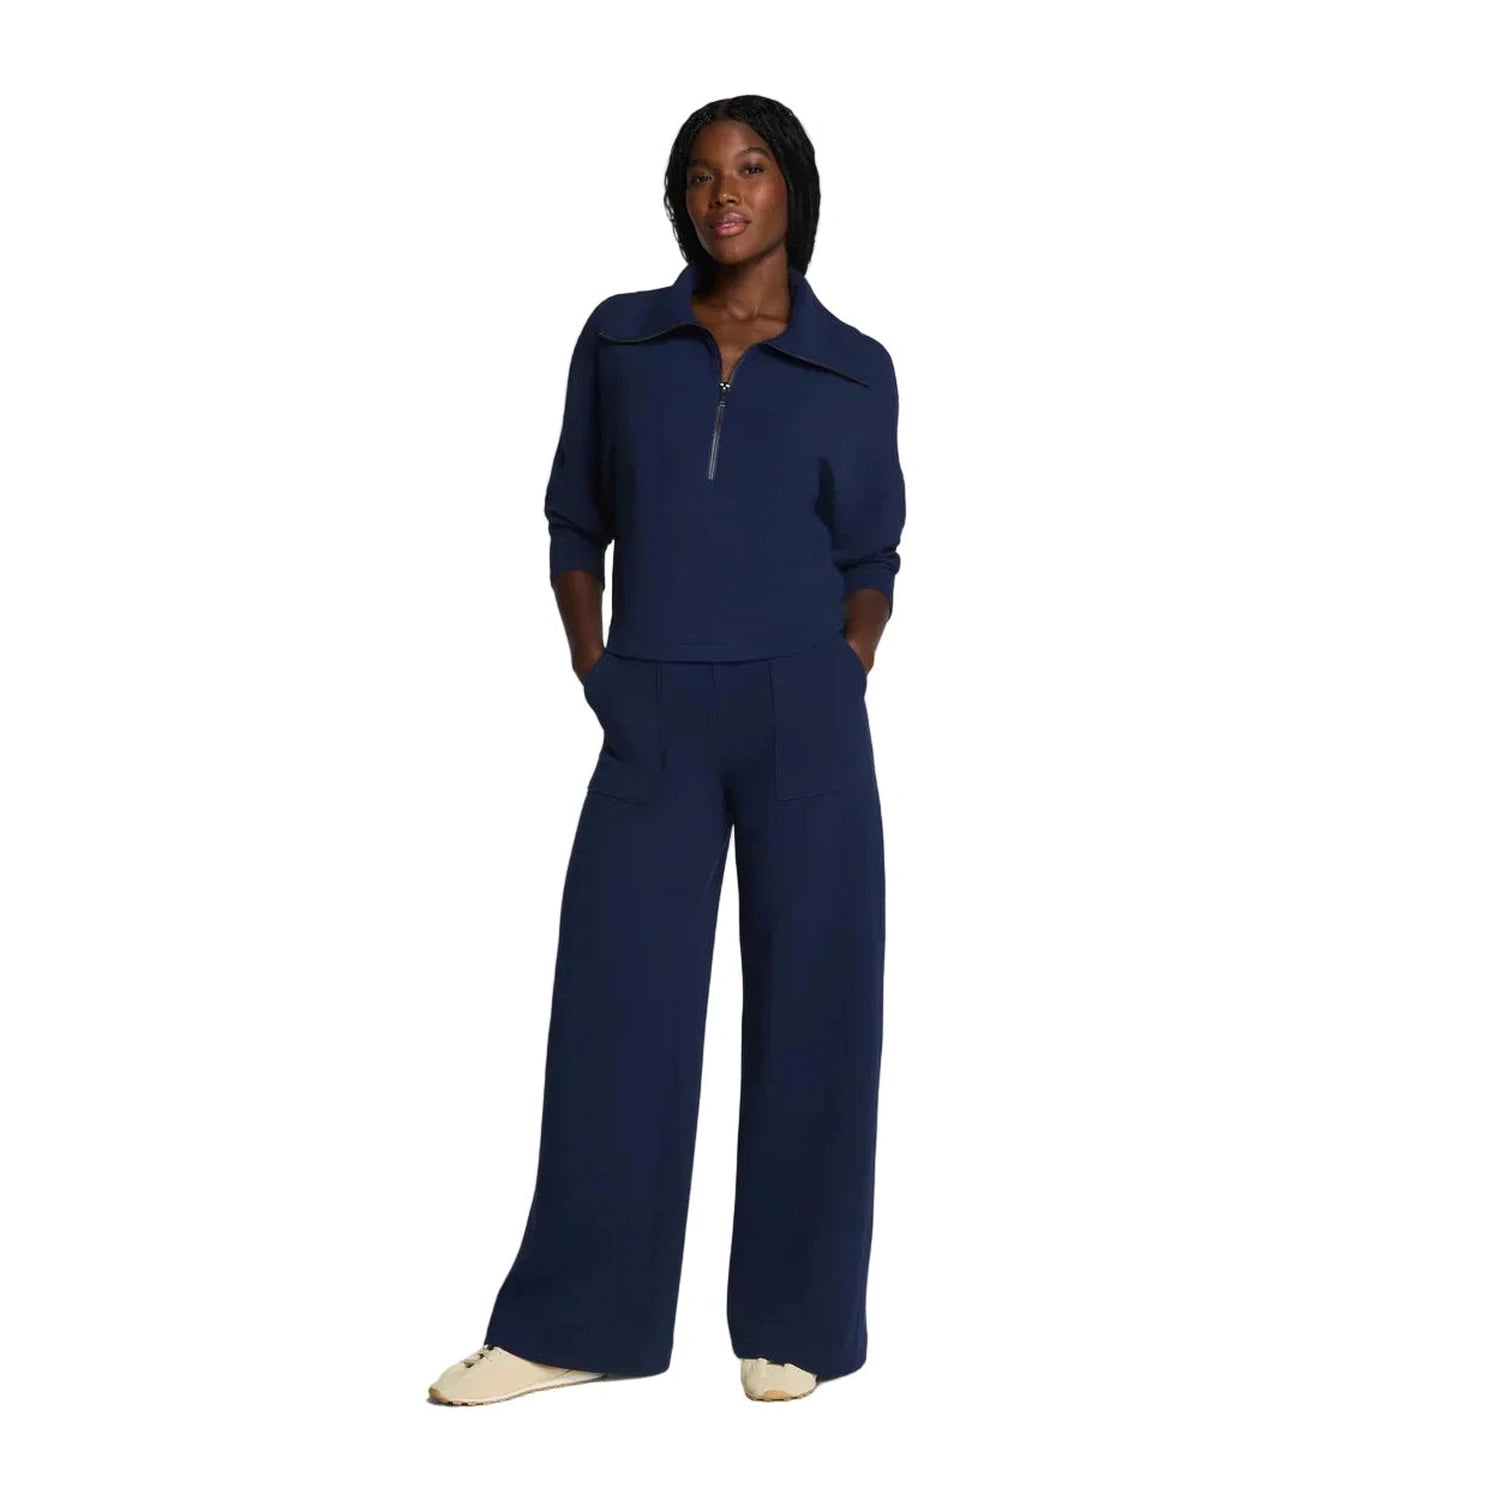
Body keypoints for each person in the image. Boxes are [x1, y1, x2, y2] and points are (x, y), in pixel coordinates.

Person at [429, 94, 905, 1407]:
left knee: (816, 1005)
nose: (724, 192)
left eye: (749, 168)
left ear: (793, 187)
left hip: (807, 709)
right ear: (679, 200)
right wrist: (597, 665)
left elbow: (874, 552)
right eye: (700, 175)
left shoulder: (855, 366)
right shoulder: (622, 339)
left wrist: (847, 665)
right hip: (653, 711)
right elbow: (573, 519)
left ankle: (795, 1323)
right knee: (616, 1005)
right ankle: (574, 1327)